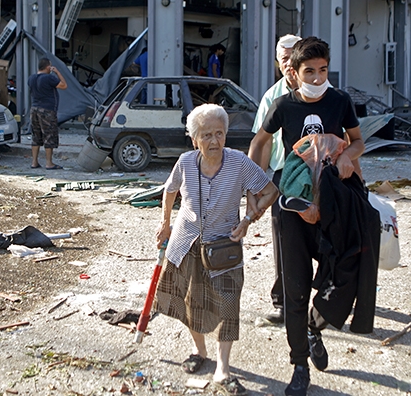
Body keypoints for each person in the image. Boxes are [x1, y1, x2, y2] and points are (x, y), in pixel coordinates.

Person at [247, 37, 368, 396]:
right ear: (295, 73)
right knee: (296, 288)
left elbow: (358, 140)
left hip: (333, 200)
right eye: (309, 71)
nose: (317, 78)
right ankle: (299, 364)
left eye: (323, 70)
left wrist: (346, 156)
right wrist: (255, 186)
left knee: (344, 274)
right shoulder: (284, 105)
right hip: (294, 205)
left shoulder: (340, 101)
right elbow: (260, 142)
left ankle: (315, 325)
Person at [155, 104, 278, 396]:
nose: (215, 141)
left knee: (228, 304)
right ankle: (199, 351)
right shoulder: (185, 162)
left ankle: (223, 368)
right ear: (194, 140)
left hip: (224, 245)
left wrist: (248, 220)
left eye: (220, 133)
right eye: (207, 135)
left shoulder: (238, 162)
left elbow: (270, 191)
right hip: (186, 242)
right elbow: (170, 190)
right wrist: (165, 224)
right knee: (189, 301)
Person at [251, 34, 301, 324]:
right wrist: (257, 188)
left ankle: (330, 296)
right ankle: (283, 303)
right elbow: (262, 143)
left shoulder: (325, 92)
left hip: (321, 174)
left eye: (295, 57)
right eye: (284, 59)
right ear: (278, 63)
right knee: (284, 241)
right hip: (285, 175)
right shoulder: (273, 97)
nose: (290, 64)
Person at [27, 57, 67, 169]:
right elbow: (64, 85)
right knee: (49, 135)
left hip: (34, 109)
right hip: (47, 110)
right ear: (48, 67)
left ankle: (34, 162)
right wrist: (57, 72)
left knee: (36, 136)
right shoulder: (49, 78)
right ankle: (49, 163)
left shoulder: (31, 78)